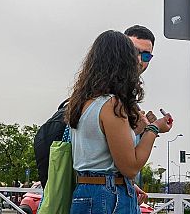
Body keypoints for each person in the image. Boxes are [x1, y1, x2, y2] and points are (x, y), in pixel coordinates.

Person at [66, 30, 173, 214]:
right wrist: (154, 129)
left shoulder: (84, 101)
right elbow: (130, 167)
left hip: (86, 191)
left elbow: (97, 153)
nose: (138, 61)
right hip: (108, 195)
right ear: (123, 62)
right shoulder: (112, 104)